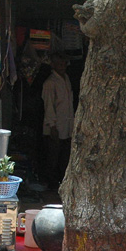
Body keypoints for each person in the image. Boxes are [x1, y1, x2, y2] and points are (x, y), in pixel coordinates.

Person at [41, 53, 74, 189]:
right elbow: (49, 106)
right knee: (53, 156)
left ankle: (61, 181)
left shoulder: (66, 79)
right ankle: (51, 184)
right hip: (55, 126)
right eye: (59, 64)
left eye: (64, 64)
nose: (62, 67)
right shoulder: (50, 83)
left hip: (67, 125)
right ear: (53, 65)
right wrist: (52, 126)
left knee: (64, 156)